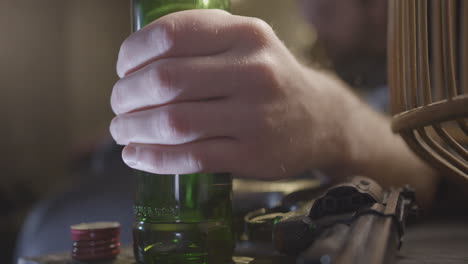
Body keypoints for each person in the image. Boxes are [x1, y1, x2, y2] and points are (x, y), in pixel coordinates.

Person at [109, 0, 438, 208]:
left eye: (326, 11)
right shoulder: (329, 54)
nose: (315, 32)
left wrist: (332, 118)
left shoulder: (447, 54)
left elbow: (441, 170)